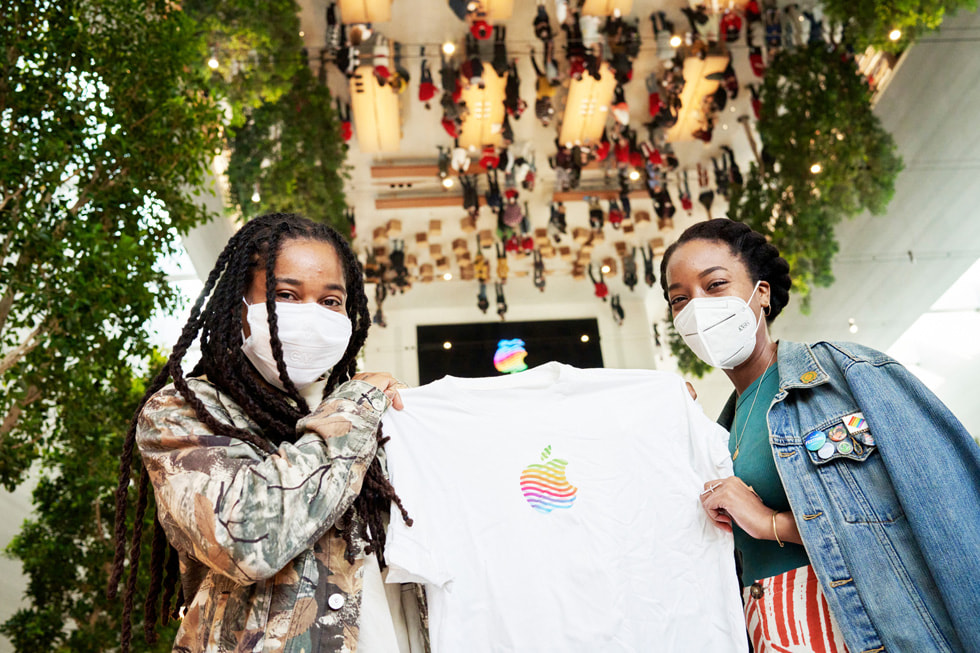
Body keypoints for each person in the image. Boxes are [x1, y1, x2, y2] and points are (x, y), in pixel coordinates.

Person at [108, 213, 426, 652]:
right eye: (285, 295)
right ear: (238, 305)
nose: (311, 315)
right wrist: (354, 408)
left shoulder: (380, 416)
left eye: (331, 301)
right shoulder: (182, 413)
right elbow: (246, 536)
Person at [660, 218, 980, 653]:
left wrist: (766, 522)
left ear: (762, 294)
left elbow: (943, 509)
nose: (696, 307)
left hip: (862, 629)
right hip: (770, 632)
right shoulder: (718, 432)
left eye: (714, 285)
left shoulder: (845, 376)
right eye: (680, 299)